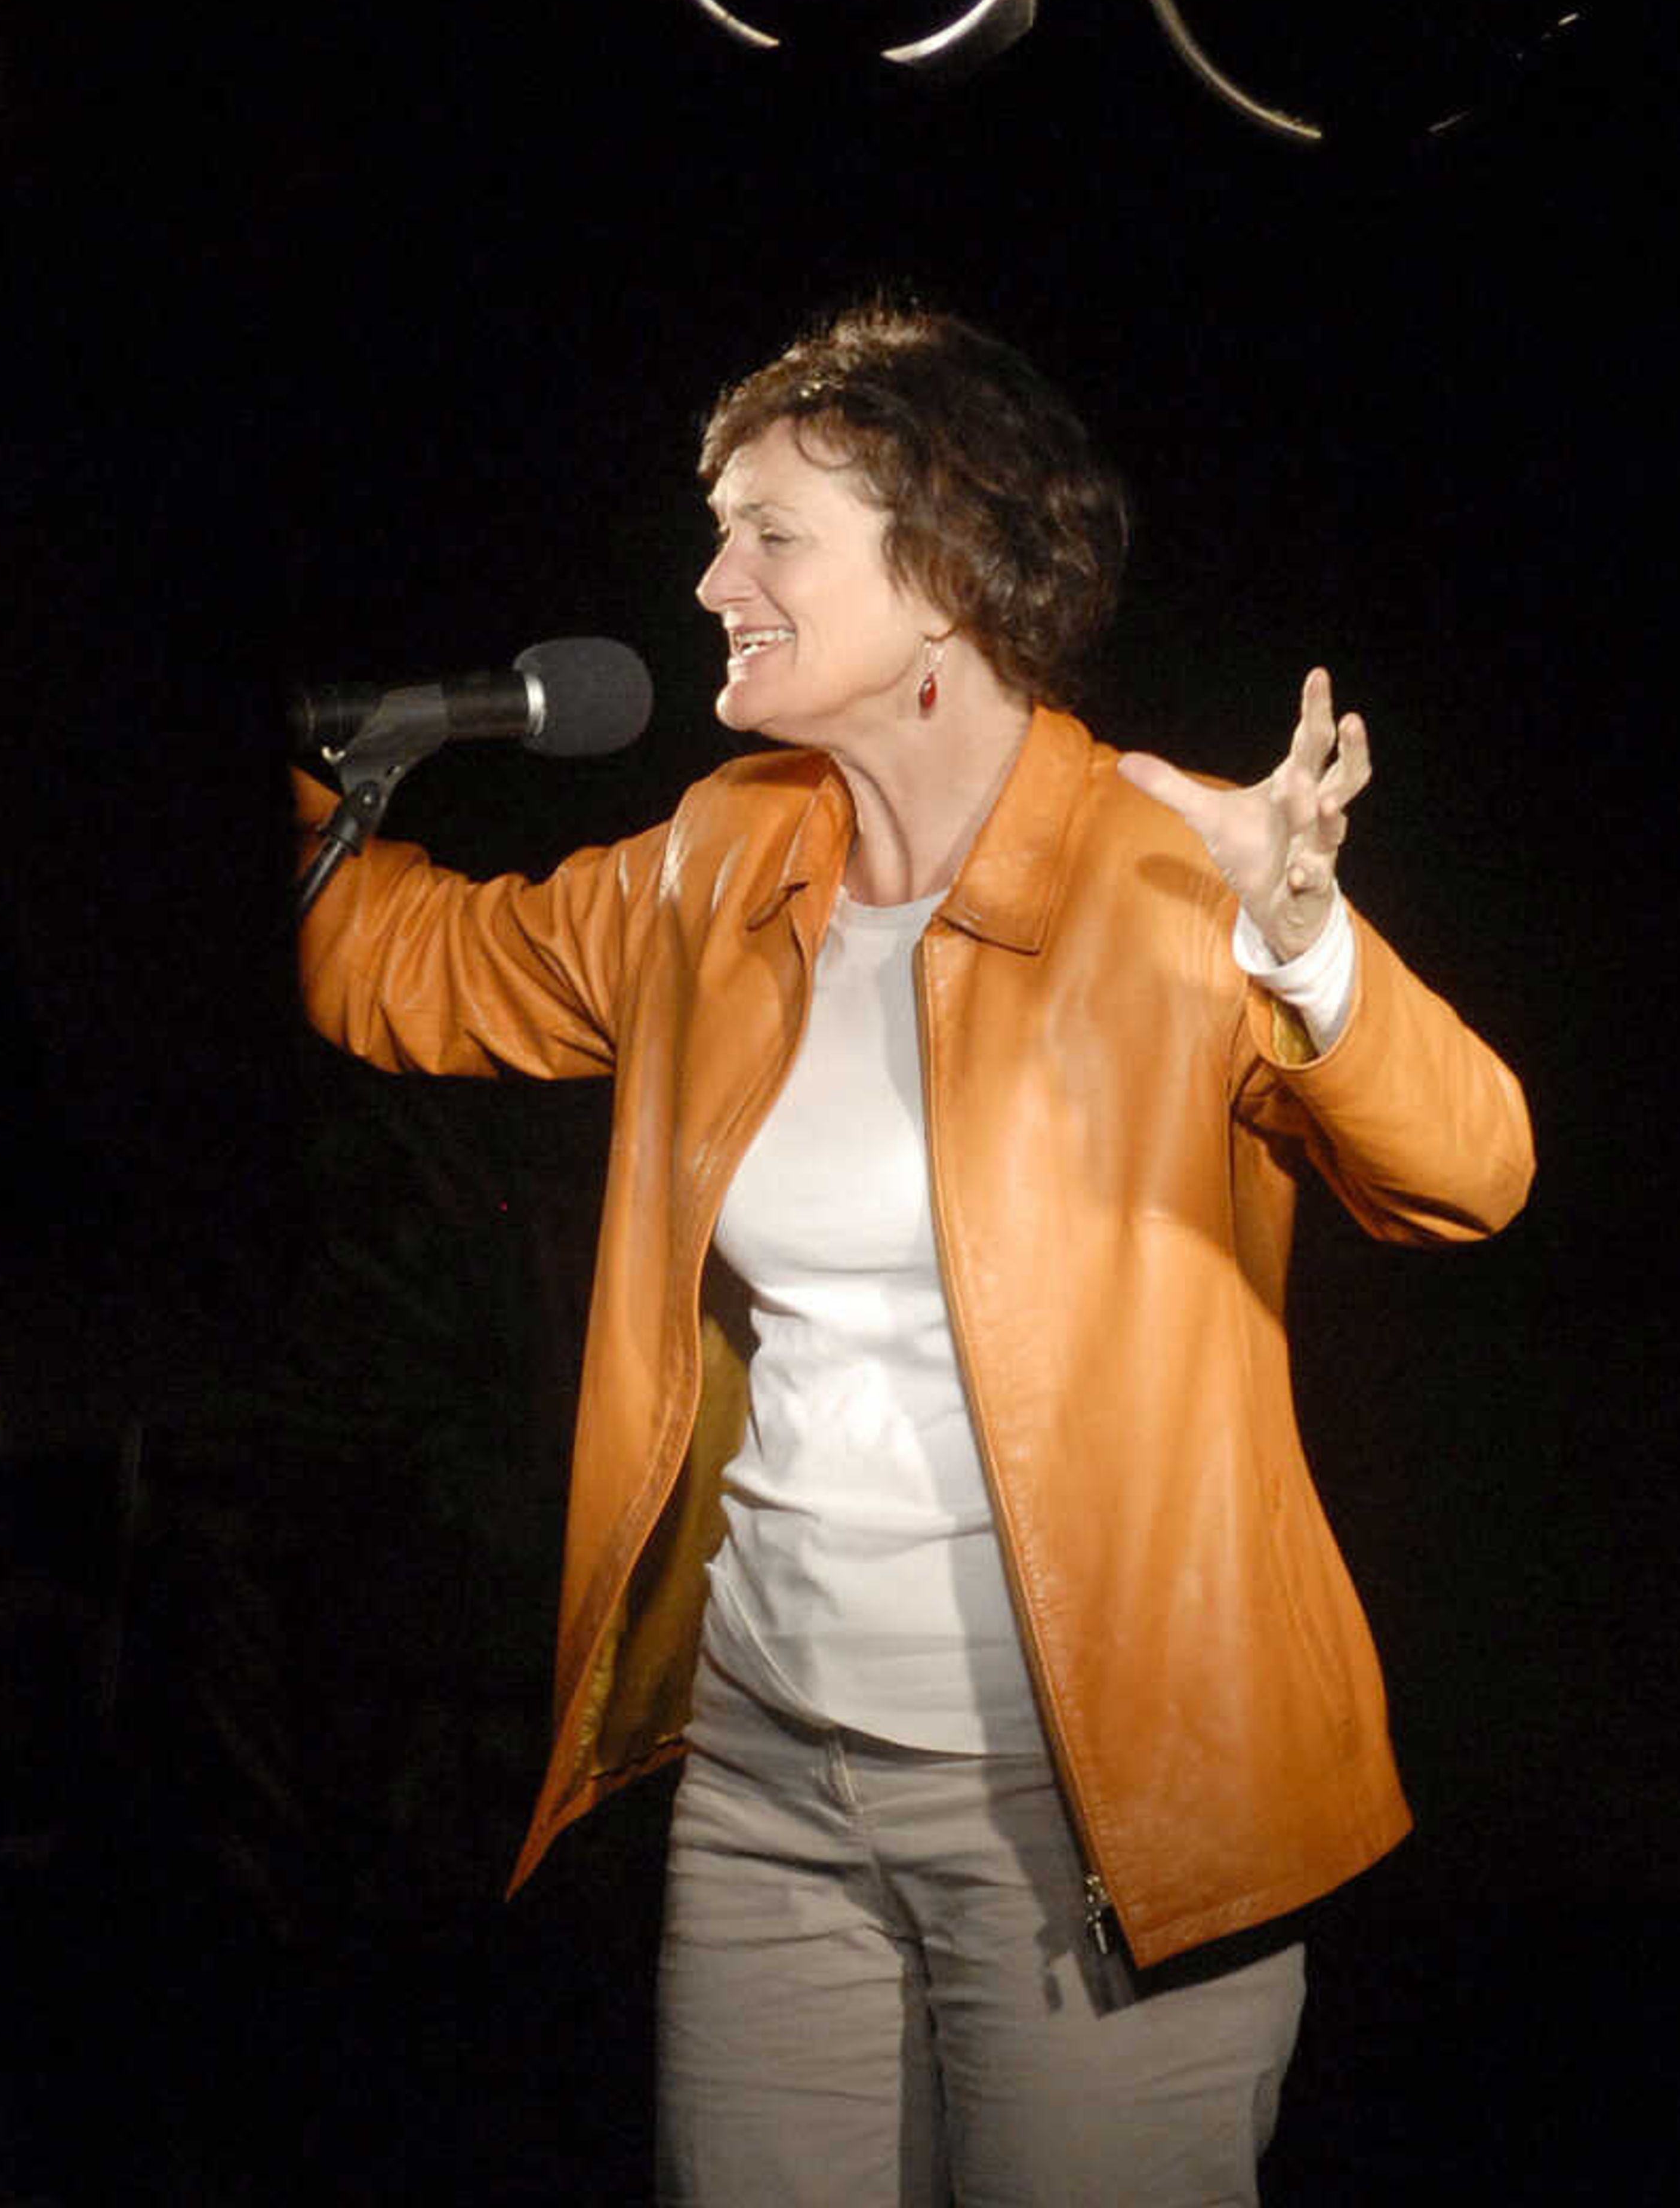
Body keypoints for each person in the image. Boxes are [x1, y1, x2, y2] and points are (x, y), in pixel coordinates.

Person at [293, 301, 1534, 2204]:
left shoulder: (1168, 873)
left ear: (949, 569)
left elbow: (1472, 1173)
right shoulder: (723, 857)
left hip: (1104, 1822)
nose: (716, 579)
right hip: (773, 1785)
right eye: (723, 529)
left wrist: (1307, 944)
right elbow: (411, 968)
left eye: (773, 532)